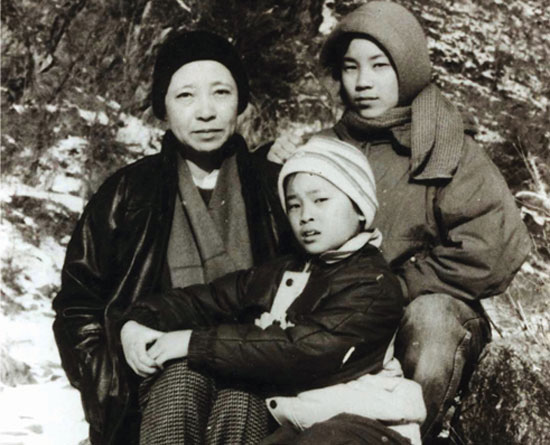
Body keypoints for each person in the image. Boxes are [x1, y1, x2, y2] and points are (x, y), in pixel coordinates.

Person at [268, 1, 531, 441]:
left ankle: (404, 434)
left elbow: (494, 247)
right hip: (344, 312)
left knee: (432, 319)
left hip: (420, 314)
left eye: (380, 65)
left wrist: (398, 286)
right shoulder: (325, 147)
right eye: (350, 67)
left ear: (407, 68)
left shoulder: (447, 145)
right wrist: (275, 168)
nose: (363, 82)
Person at [52, 30, 288, 445]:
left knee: (242, 398)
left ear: (241, 102)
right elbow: (78, 301)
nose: (206, 112)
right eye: (185, 96)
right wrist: (109, 370)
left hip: (256, 367)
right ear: (163, 106)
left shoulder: (277, 188)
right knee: (181, 382)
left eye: (221, 92)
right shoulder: (128, 192)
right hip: (152, 381)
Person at [121, 137, 426, 445]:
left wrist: (193, 342)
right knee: (195, 379)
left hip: (361, 426)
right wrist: (137, 322)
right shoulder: (280, 272)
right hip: (291, 420)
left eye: (320, 200)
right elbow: (206, 299)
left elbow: (301, 349)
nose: (306, 215)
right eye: (294, 205)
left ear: (360, 208)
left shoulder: (373, 284)